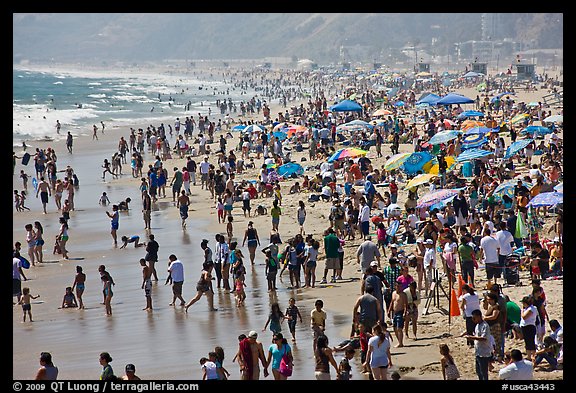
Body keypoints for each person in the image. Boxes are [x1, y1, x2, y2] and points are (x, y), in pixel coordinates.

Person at [464, 309, 493, 380]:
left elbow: (483, 338)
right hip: (478, 352)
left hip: (484, 353)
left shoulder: (485, 326)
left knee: (483, 372)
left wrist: (472, 337)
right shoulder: (477, 325)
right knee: (478, 371)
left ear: (479, 316)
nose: (473, 320)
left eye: (474, 318)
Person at [388, 281, 408, 348]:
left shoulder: (403, 295)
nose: (399, 288)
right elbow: (392, 302)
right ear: (395, 286)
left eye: (400, 286)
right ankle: (399, 341)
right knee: (394, 328)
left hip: (400, 312)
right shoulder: (393, 293)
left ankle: (400, 343)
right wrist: (389, 310)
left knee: (399, 328)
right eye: (397, 286)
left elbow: (405, 304)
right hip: (394, 312)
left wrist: (405, 313)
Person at [520, 295, 538, 361]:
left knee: (531, 342)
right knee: (527, 342)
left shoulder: (531, 309)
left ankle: (533, 356)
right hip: (525, 327)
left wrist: (522, 311)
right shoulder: (529, 308)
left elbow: (524, 317)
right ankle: (529, 356)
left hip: (529, 327)